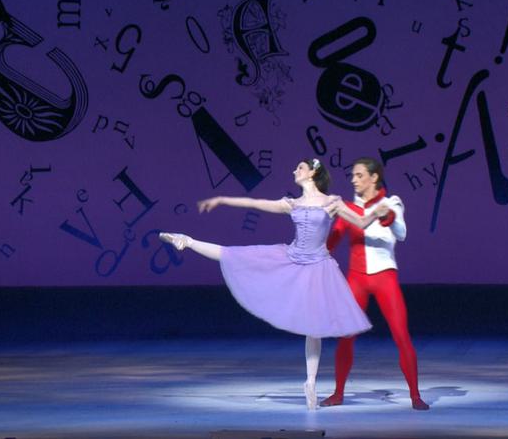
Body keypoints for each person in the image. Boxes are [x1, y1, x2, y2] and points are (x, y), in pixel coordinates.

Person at [159, 158, 382, 410]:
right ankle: (187, 241)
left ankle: (310, 382)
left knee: (314, 328)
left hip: (317, 267)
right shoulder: (292, 203)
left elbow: (361, 222)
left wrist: (379, 210)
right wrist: (222, 199)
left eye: (299, 168)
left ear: (312, 172)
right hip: (291, 258)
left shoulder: (331, 202)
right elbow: (255, 203)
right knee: (234, 255)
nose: (294, 171)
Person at [320, 157, 429, 410]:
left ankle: (415, 395)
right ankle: (338, 393)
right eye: (353, 175)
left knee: (401, 335)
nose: (353, 180)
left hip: (384, 278)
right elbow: (333, 240)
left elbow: (402, 233)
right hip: (356, 279)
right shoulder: (348, 208)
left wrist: (387, 215)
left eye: (359, 175)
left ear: (374, 177)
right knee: (346, 337)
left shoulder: (391, 202)